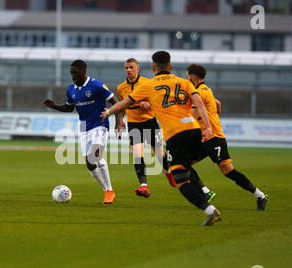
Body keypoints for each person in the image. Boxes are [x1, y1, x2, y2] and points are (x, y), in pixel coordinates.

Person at [102, 51, 222, 226]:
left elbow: (123, 103)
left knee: (181, 180)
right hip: (194, 130)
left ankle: (210, 210)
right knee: (184, 166)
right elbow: (200, 103)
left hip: (175, 134)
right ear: (170, 67)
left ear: (152, 68)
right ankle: (204, 190)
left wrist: (108, 112)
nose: (128, 70)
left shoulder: (148, 85)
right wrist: (209, 127)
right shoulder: (184, 82)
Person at [186, 64, 268, 210]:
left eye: (188, 76)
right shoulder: (206, 90)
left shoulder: (200, 92)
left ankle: (260, 195)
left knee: (228, 171)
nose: (187, 79)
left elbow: (193, 115)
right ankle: (206, 192)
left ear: (194, 77)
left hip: (214, 138)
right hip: (205, 139)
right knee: (183, 164)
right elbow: (218, 103)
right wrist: (215, 116)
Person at [43, 60, 123, 204]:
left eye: (75, 73)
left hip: (100, 124)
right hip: (84, 126)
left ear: (84, 71)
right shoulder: (71, 89)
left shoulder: (96, 85)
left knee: (95, 156)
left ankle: (109, 190)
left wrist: (118, 121)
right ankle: (106, 190)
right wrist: (54, 106)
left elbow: (116, 103)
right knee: (89, 164)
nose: (73, 76)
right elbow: (69, 108)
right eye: (71, 73)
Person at [116, 58, 176, 198]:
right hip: (134, 124)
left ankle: (168, 172)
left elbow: (158, 101)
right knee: (138, 154)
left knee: (160, 154)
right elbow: (122, 106)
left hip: (150, 122)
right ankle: (144, 186)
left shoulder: (147, 83)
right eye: (126, 68)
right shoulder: (121, 88)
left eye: (131, 67)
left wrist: (149, 105)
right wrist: (120, 120)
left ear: (138, 69)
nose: (129, 70)